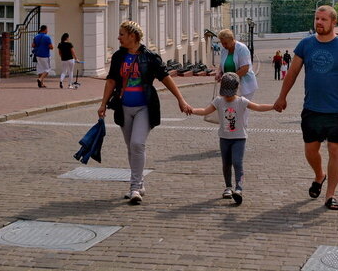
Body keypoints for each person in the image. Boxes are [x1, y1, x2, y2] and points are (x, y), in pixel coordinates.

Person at [274, 5, 338, 212]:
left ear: (334, 22)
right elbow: (293, 72)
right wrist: (282, 97)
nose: (319, 23)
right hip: (312, 107)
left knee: (335, 149)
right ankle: (319, 175)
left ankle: (330, 194)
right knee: (311, 149)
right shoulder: (305, 44)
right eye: (316, 19)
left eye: (323, 19)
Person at [98, 20, 193, 204]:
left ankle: (134, 188)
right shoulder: (119, 56)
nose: (118, 37)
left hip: (144, 107)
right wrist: (103, 104)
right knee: (131, 147)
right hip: (124, 107)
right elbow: (111, 81)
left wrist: (181, 100)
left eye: (121, 34)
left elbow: (165, 78)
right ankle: (139, 183)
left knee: (137, 144)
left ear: (132, 36)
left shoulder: (150, 57)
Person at [189, 71, 275, 205]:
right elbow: (205, 111)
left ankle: (239, 189)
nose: (227, 97)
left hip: (239, 138)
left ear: (235, 90)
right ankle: (228, 187)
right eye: (225, 94)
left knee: (237, 162)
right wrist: (192, 110)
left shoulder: (241, 101)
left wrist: (274, 107)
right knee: (226, 163)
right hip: (224, 138)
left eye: (229, 94)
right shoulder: (218, 101)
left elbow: (258, 107)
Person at [215, 28, 258, 97]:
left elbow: (245, 69)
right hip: (228, 87)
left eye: (225, 43)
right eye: (222, 43)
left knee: (241, 106)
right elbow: (222, 64)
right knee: (228, 107)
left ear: (232, 39)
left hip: (244, 85)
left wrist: (230, 79)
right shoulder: (224, 50)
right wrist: (219, 72)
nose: (224, 46)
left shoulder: (242, 49)